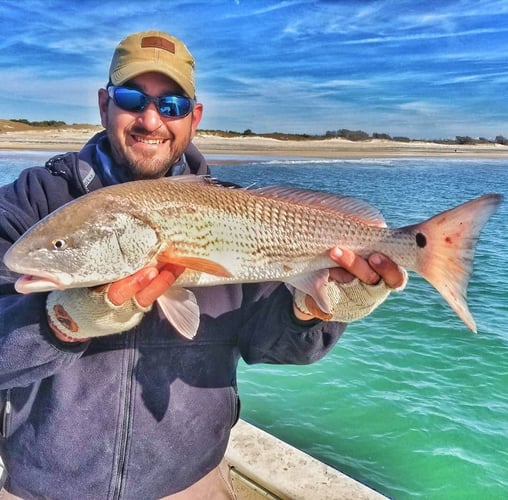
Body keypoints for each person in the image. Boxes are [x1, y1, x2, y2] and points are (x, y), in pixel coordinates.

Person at [0, 31, 406, 499]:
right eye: (132, 98)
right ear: (103, 104)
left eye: (171, 105)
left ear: (194, 117)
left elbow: (276, 347)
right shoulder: (30, 202)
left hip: (192, 483)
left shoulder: (234, 204)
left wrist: (319, 309)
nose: (151, 120)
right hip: (42, 487)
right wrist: (61, 321)